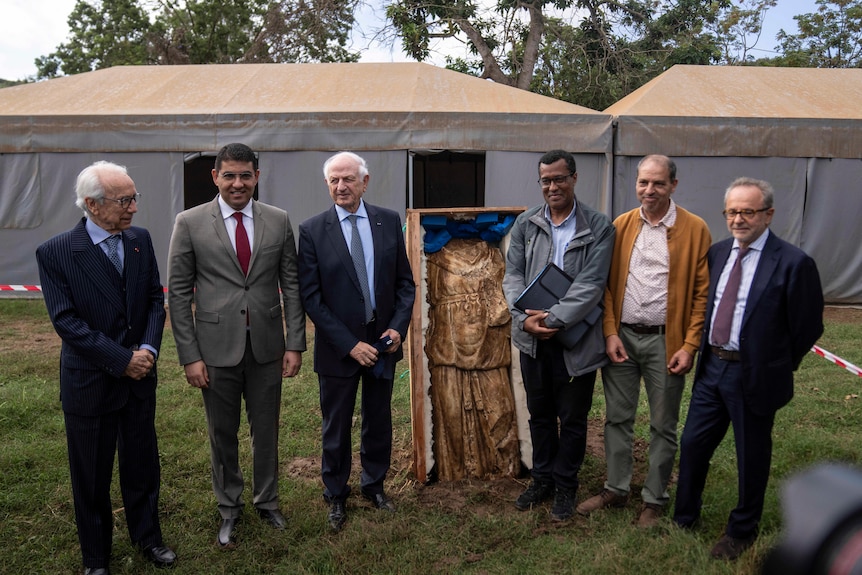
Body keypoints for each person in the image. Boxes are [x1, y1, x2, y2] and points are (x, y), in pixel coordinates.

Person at [673, 177, 824, 560]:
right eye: (732, 211)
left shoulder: (793, 263)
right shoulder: (718, 253)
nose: (738, 219)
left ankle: (742, 530)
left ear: (768, 214)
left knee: (751, 455)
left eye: (748, 211)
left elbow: (808, 325)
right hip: (712, 370)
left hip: (755, 375)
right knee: (692, 444)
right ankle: (684, 515)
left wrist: (777, 363)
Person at [36, 161, 175, 574]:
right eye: (124, 200)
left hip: (139, 380)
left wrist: (147, 349)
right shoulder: (57, 252)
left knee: (142, 466)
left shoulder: (139, 240)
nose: (134, 207)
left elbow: (154, 297)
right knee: (91, 477)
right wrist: (122, 360)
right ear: (93, 205)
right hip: (91, 383)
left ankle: (148, 538)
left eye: (134, 198)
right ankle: (96, 557)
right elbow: (66, 322)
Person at [167, 143, 306, 547]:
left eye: (245, 175)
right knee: (221, 433)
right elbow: (178, 293)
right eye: (229, 175)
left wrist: (294, 342)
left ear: (257, 177)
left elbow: (291, 286)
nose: (238, 183)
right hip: (214, 350)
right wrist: (189, 356)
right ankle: (228, 507)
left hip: (267, 347)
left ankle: (268, 501)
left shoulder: (278, 221)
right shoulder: (190, 222)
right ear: (216, 177)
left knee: (267, 430)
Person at [576, 155, 711, 527]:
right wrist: (610, 331)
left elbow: (702, 294)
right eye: (643, 183)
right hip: (623, 338)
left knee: (663, 423)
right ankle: (616, 488)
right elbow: (604, 285)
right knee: (617, 418)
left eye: (658, 184)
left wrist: (690, 344)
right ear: (635, 184)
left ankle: (654, 498)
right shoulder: (619, 225)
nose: (649, 190)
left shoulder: (695, 229)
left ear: (673, 186)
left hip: (667, 343)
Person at [297, 151, 415, 532]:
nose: (340, 187)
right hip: (339, 349)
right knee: (336, 424)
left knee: (378, 419)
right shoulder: (313, 230)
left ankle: (374, 485)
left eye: (347, 179)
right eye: (333, 180)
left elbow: (404, 285)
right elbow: (311, 297)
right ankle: (335, 494)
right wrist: (349, 344)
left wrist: (397, 328)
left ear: (365, 181)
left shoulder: (388, 221)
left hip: (383, 344)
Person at [502, 149, 615, 521]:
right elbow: (512, 275)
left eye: (559, 178)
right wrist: (523, 319)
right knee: (539, 413)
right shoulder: (525, 224)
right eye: (546, 180)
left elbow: (591, 284)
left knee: (573, 417)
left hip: (576, 340)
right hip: (532, 338)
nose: (553, 186)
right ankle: (543, 478)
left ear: (574, 178)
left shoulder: (599, 226)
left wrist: (554, 319)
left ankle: (566, 486)